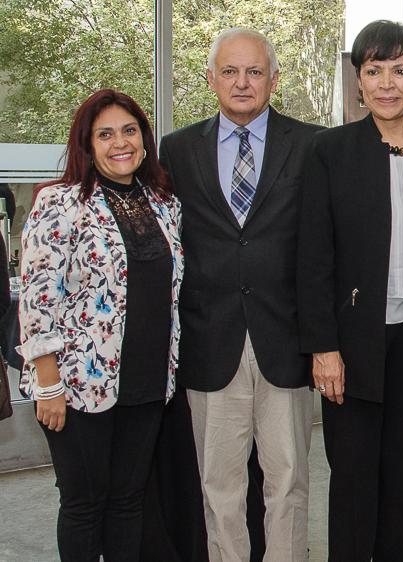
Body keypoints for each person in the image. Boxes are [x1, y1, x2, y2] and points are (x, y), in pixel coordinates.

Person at [158, 28, 322, 561]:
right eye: (230, 71)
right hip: (211, 343)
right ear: (210, 80)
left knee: (289, 483)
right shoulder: (177, 149)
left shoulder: (312, 145)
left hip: (287, 341)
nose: (242, 82)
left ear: (274, 79)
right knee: (219, 488)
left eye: (254, 71)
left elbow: (323, 248)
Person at [297, 20, 403, 561]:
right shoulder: (329, 151)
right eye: (374, 70)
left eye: (400, 70)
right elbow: (312, 258)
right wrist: (323, 346)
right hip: (352, 345)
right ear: (358, 81)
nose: (387, 83)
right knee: (354, 485)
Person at [18, 88, 183, 561]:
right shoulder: (60, 203)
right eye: (105, 134)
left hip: (147, 381)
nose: (120, 143)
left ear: (144, 138)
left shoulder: (164, 203)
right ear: (87, 145)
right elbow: (37, 297)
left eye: (129, 131)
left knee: (129, 502)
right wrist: (47, 385)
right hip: (77, 386)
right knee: (85, 504)